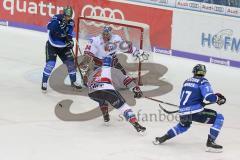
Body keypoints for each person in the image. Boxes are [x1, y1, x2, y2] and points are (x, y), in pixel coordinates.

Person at [153, 64, 226, 152]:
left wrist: (199, 103)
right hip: (195, 112)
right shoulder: (203, 81)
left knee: (183, 126)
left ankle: (162, 138)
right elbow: (209, 97)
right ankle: (210, 143)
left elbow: (186, 97)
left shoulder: (187, 81)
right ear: (204, 73)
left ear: (194, 72)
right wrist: (218, 98)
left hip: (183, 111)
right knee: (219, 117)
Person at [87, 56, 146, 133]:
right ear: (111, 63)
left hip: (92, 93)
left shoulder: (96, 70)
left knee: (102, 99)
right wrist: (136, 90)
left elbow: (88, 83)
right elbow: (126, 80)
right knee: (123, 106)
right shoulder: (113, 70)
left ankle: (106, 116)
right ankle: (136, 124)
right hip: (107, 90)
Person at [81, 25, 148, 84]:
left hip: (113, 63)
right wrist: (84, 63)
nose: (105, 36)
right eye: (103, 34)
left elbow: (125, 47)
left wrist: (136, 52)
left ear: (110, 34)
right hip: (98, 64)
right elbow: (88, 55)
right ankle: (89, 76)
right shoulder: (95, 40)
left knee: (125, 81)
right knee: (91, 82)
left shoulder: (116, 39)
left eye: (107, 34)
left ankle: (129, 79)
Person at [41, 6, 81, 92]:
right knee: (51, 64)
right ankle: (44, 82)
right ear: (63, 14)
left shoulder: (71, 22)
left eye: (70, 16)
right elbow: (49, 27)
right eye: (67, 16)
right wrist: (58, 26)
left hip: (63, 47)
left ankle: (73, 81)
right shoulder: (56, 18)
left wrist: (70, 41)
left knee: (71, 63)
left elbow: (69, 34)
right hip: (52, 45)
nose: (68, 18)